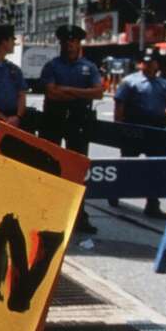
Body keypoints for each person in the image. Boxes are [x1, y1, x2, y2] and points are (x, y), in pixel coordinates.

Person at [39, 25, 103, 234]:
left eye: (73, 41)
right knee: (50, 167)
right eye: (66, 41)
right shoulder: (51, 66)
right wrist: (81, 93)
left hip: (78, 121)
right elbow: (51, 94)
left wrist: (66, 89)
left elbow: (98, 93)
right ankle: (46, 213)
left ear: (79, 43)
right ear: (60, 43)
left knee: (77, 170)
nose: (69, 44)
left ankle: (79, 216)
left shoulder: (89, 67)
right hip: (54, 119)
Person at [113, 47, 166, 219]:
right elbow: (119, 106)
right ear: (140, 64)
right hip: (134, 128)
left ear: (157, 64)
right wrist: (118, 127)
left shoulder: (164, 84)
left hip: (157, 129)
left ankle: (153, 204)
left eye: (152, 62)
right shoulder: (129, 82)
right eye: (145, 62)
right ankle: (114, 192)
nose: (149, 65)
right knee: (128, 165)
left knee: (156, 168)